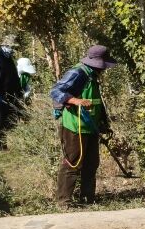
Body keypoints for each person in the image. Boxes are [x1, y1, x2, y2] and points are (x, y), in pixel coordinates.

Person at [50, 44, 117, 206]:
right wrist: (76, 101)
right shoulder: (78, 73)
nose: (104, 69)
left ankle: (87, 199)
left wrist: (103, 123)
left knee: (91, 164)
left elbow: (96, 102)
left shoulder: (92, 75)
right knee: (72, 163)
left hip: (91, 127)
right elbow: (55, 91)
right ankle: (64, 201)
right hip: (75, 127)